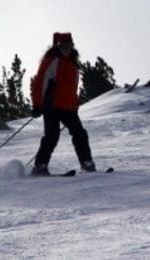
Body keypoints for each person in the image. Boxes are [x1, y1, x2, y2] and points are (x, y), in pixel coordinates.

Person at [30, 32, 96, 176]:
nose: (67, 49)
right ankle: (40, 166)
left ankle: (87, 162)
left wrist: (75, 105)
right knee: (52, 135)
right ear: (57, 47)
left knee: (80, 134)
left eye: (69, 46)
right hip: (52, 105)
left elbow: (73, 88)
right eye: (63, 46)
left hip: (69, 107)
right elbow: (40, 82)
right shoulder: (51, 61)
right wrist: (37, 104)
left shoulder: (73, 65)